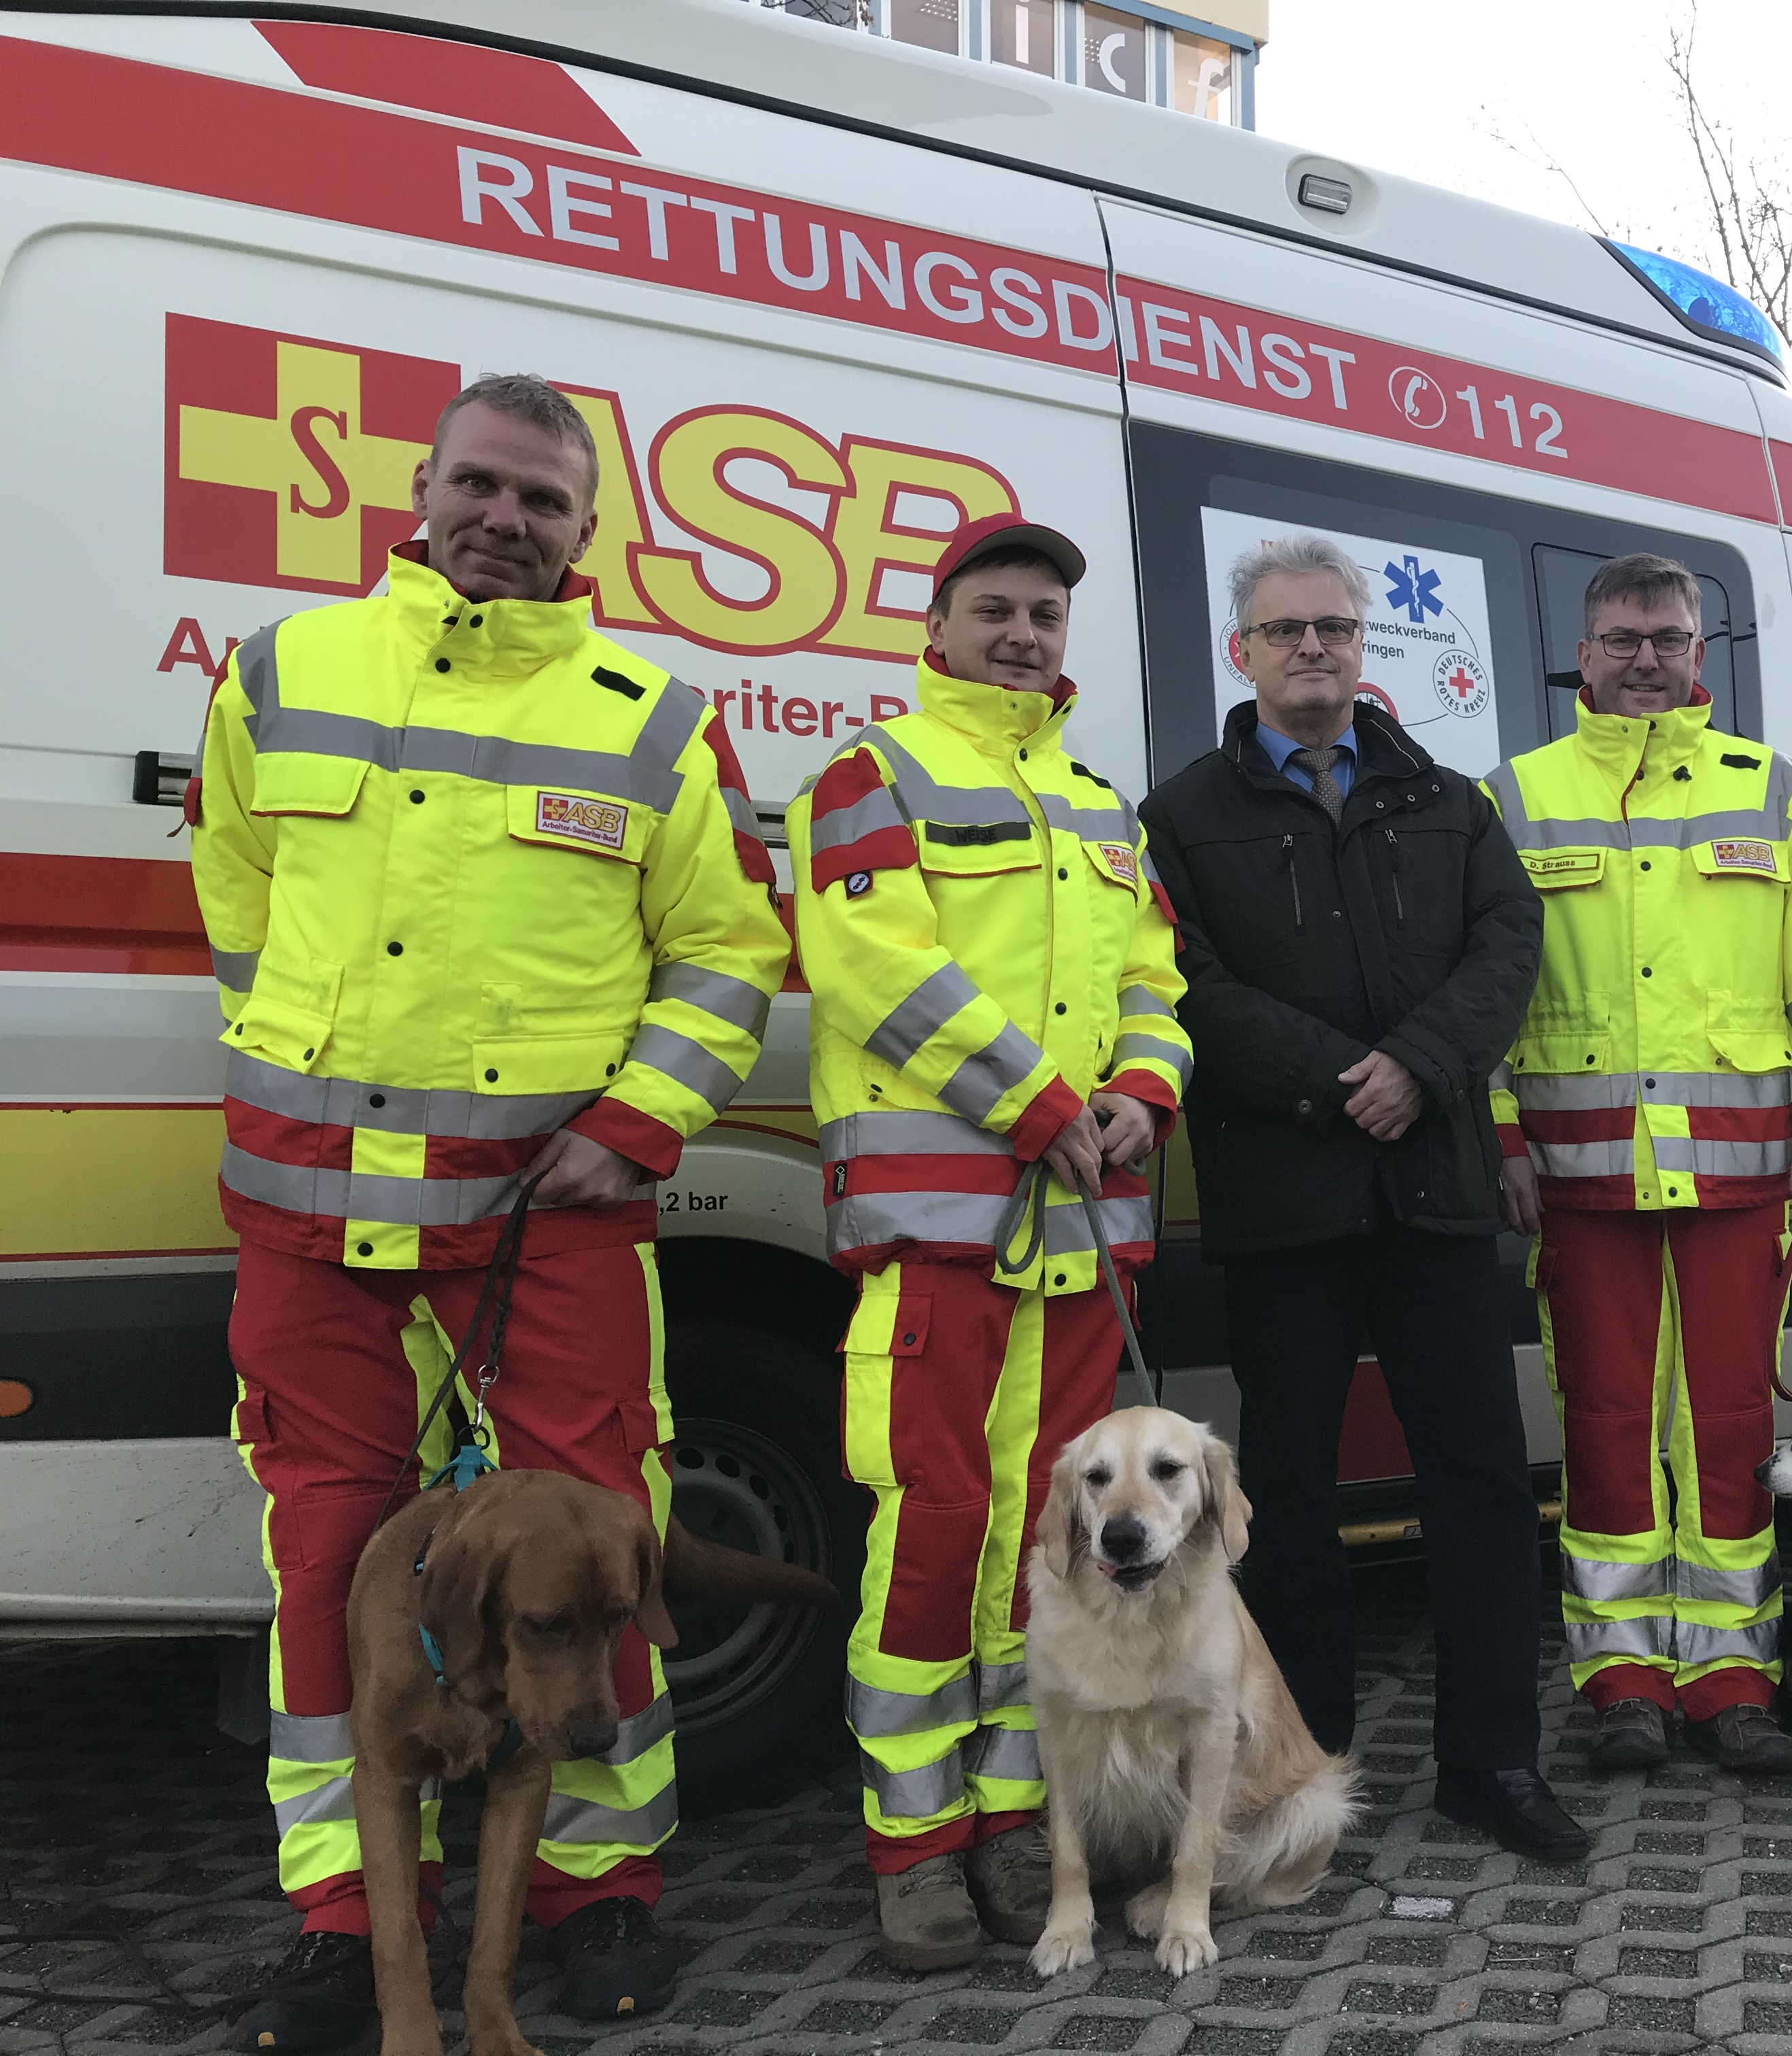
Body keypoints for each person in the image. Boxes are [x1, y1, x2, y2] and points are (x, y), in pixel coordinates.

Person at [194, 374, 790, 2051]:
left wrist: (639, 1115)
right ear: (425, 487)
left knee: (601, 1538)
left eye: (543, 501)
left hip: (552, 1215)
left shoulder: (650, 715)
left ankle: (603, 1900)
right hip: (306, 1210)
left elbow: (731, 952)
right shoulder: (284, 671)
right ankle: (341, 1920)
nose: (505, 520)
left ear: (587, 529)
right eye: (483, 486)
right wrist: (296, 1056)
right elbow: (235, 892)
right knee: (324, 1549)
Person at [1136, 535, 1583, 1860]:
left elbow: (1511, 945)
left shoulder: (1445, 801)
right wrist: (1349, 1079)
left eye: (1336, 628)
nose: (1315, 649)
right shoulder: (1183, 815)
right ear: (1246, 653)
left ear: (1363, 647)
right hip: (1289, 1209)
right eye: (1288, 632)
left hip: (1437, 1201)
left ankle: (1492, 1766)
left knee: (1483, 1489)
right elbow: (1191, 984)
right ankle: (1294, 1775)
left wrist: (1426, 1067)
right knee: (1286, 1505)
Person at [787, 511, 1189, 1968]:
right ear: (937, 627)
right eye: (997, 611)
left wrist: (1147, 1088)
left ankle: (1022, 1826)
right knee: (932, 1528)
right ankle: (912, 1849)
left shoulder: (1102, 809)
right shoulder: (870, 776)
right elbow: (870, 969)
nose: (1024, 636)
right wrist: (1039, 1102)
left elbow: (1156, 976)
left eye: (1045, 618)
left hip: (1084, 1234)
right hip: (937, 1234)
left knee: (1064, 1544)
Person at [1489, 553, 1792, 1777]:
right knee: (1603, 1424)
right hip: (1580, 1175)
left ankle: (1728, 1677)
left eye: (1668, 638)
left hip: (1739, 1172)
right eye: (1622, 638)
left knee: (1726, 1423)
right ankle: (1618, 1681)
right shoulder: (1517, 795)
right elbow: (1485, 991)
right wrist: (1500, 1133)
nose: (1646, 657)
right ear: (1584, 656)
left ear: (1701, 657)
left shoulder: (1777, 792)